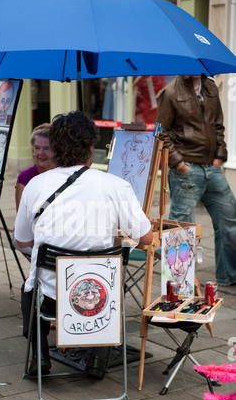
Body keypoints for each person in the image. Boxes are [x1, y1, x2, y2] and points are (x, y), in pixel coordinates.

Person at [14, 111, 153, 378]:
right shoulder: (116, 185)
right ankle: (97, 359)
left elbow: (22, 240)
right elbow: (146, 238)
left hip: (52, 299)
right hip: (98, 297)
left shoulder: (35, 184)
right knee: (106, 280)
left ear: (56, 148)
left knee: (30, 287)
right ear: (91, 148)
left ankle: (40, 355)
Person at [156, 74, 236, 287]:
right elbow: (160, 133)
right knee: (181, 229)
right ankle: (177, 286)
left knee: (230, 219)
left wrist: (220, 156)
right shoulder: (171, 92)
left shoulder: (210, 87)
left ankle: (230, 276)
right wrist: (179, 164)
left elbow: (218, 125)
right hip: (187, 168)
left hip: (212, 167)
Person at [12, 123, 56, 257]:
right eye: (37, 148)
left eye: (46, 149)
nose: (40, 153)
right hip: (30, 235)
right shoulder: (25, 177)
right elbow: (22, 218)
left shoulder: (64, 174)